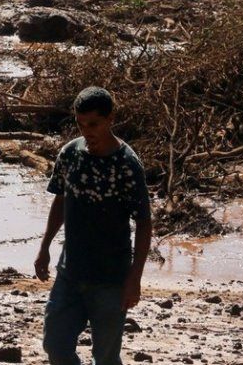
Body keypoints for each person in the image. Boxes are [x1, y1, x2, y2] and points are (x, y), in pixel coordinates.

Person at [35, 87, 154, 365]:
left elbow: (144, 222)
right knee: (56, 347)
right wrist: (44, 248)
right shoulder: (70, 154)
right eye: (80, 124)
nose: (87, 131)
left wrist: (134, 278)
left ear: (110, 118)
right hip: (70, 273)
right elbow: (61, 200)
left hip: (111, 280)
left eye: (93, 124)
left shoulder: (126, 164)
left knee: (106, 358)